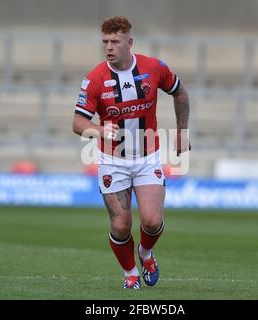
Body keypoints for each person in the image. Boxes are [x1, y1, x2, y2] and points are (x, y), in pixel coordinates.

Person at [72, 16, 190, 289]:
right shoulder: (94, 80)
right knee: (121, 225)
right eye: (105, 42)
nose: (109, 47)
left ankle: (145, 254)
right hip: (112, 160)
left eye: (115, 41)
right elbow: (77, 123)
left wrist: (183, 131)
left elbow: (180, 93)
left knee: (151, 220)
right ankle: (130, 274)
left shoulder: (153, 68)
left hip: (148, 157)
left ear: (129, 42)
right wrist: (99, 131)